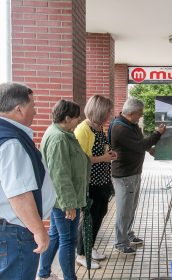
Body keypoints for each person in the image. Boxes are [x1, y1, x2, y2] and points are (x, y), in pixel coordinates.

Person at [0, 82, 56, 279]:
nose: (35, 110)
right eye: (33, 105)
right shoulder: (12, 142)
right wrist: (39, 231)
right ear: (19, 109)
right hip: (16, 232)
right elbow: (20, 194)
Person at [37, 100, 91, 280]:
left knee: (55, 234)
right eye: (77, 117)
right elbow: (59, 174)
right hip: (64, 200)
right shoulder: (59, 138)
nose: (79, 120)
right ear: (67, 118)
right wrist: (69, 204)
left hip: (60, 198)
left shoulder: (61, 133)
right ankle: (70, 278)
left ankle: (44, 273)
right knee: (68, 240)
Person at [110, 97, 166, 255]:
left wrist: (149, 149)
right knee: (124, 210)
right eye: (139, 114)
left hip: (134, 173)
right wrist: (157, 134)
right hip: (124, 175)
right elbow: (140, 145)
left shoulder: (132, 124)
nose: (141, 116)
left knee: (131, 207)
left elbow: (139, 142)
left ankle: (127, 234)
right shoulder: (120, 128)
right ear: (132, 113)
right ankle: (121, 243)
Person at [74, 95, 117, 269]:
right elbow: (79, 159)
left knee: (100, 214)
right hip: (91, 182)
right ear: (99, 111)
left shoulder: (99, 127)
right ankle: (81, 254)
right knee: (89, 218)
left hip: (103, 180)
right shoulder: (83, 130)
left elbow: (103, 150)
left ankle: (89, 248)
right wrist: (103, 158)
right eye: (108, 110)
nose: (110, 113)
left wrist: (110, 154)